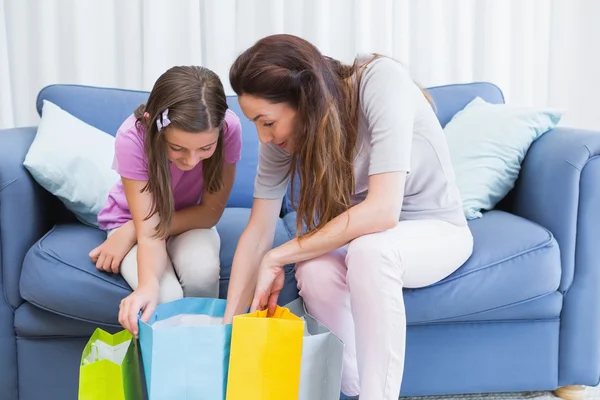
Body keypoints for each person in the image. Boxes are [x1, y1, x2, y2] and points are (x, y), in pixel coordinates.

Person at [223, 34, 473, 400]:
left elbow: (383, 211)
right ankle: (355, 390)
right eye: (256, 124)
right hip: (361, 241)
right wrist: (230, 330)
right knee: (315, 270)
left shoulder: (380, 81)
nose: (263, 136)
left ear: (303, 100)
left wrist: (277, 256)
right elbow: (258, 232)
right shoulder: (280, 139)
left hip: (435, 228)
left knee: (371, 251)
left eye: (267, 122)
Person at [90, 66, 242, 337]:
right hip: (136, 221)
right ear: (153, 125)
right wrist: (147, 285)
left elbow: (209, 213)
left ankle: (205, 361)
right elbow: (150, 235)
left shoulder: (230, 128)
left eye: (205, 149)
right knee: (166, 297)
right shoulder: (132, 137)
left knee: (203, 271)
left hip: (185, 219)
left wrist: (132, 232)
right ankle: (166, 372)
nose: (191, 161)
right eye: (178, 148)